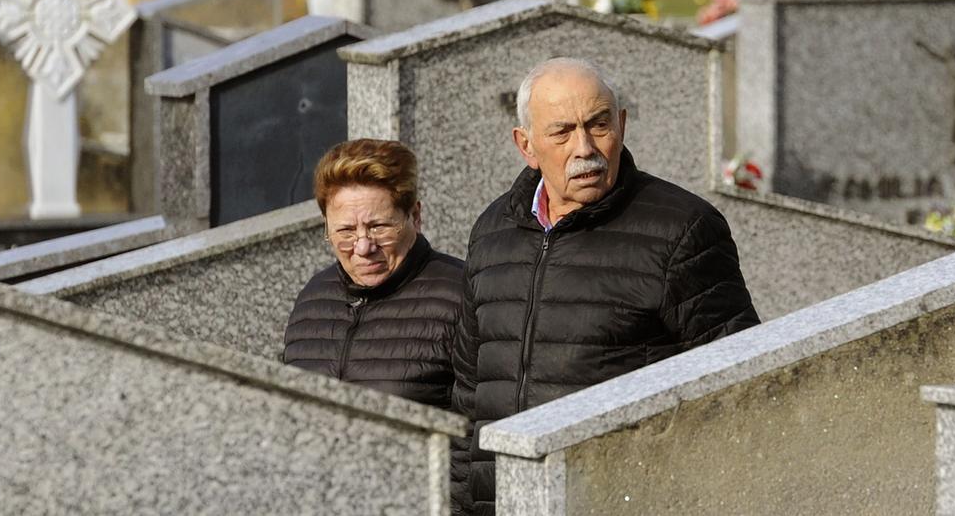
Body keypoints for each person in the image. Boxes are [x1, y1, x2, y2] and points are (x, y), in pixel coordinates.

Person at [449, 57, 759, 514]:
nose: (585, 148)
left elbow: (740, 383)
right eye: (562, 132)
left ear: (623, 125)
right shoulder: (493, 231)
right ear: (526, 145)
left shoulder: (682, 228)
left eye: (599, 125)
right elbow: (468, 391)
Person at [282, 138, 464, 410]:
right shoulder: (313, 298)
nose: (363, 247)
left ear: (415, 216)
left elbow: (482, 426)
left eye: (379, 227)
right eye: (345, 232)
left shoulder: (463, 293)